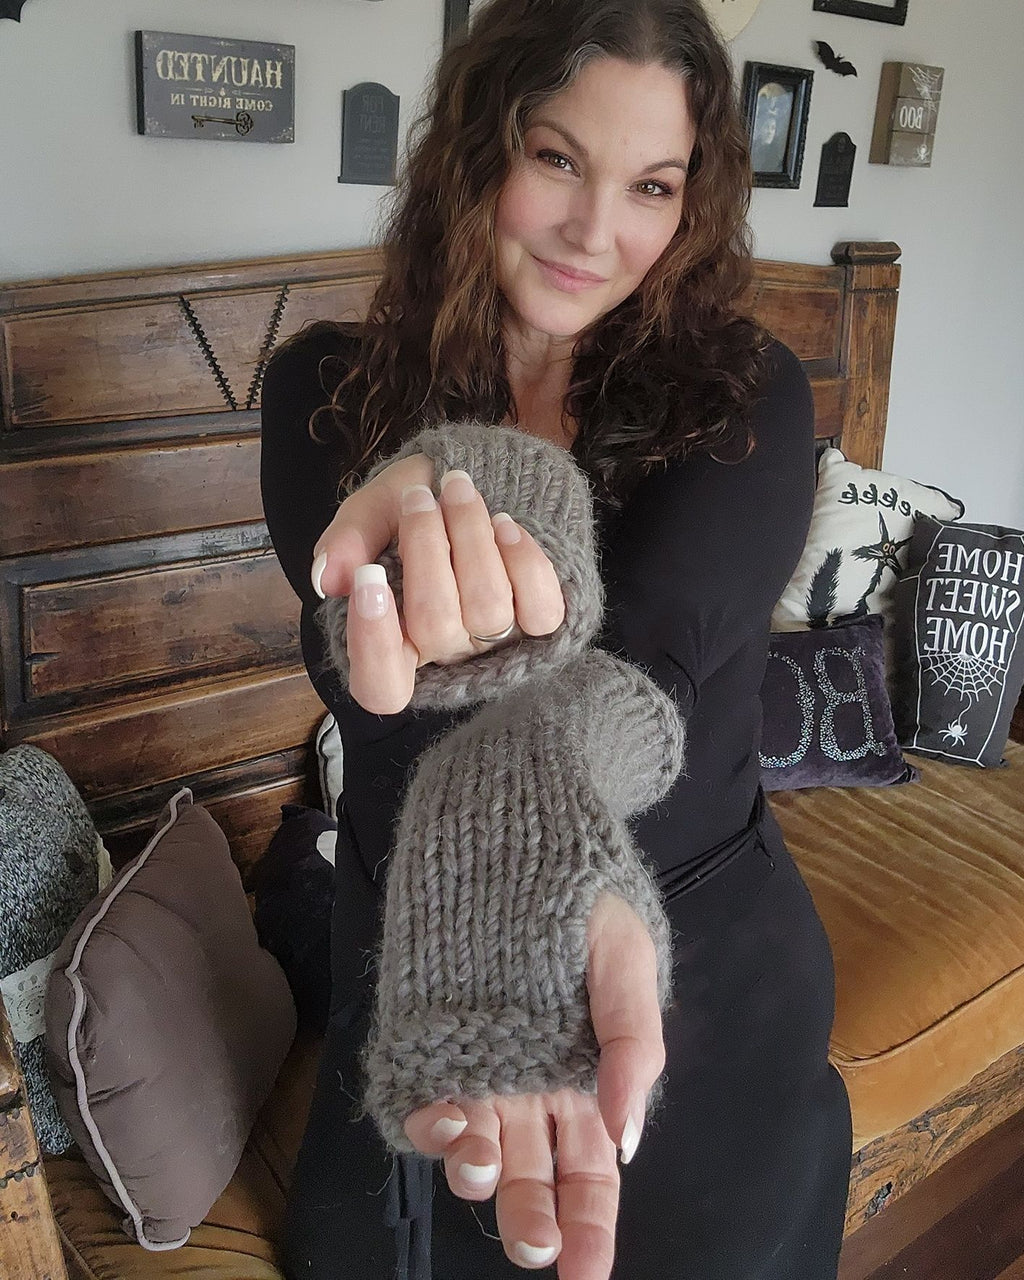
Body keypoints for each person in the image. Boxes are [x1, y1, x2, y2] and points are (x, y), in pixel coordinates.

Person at [259, 0, 853, 1276]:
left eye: (651, 185)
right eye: (556, 158)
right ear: (477, 151)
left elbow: (651, 672)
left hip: (701, 957)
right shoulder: (325, 392)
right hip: (427, 931)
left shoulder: (745, 390)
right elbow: (373, 690)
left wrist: (529, 792)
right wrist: (464, 478)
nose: (596, 231)